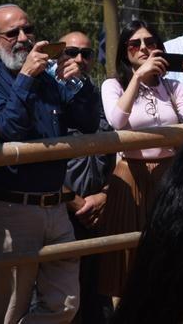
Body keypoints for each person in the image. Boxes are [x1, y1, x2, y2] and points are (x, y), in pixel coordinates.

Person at [0, 4, 100, 324]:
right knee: (12, 308)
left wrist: (79, 83)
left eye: (28, 31)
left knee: (65, 304)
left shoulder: (49, 79)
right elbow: (7, 129)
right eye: (13, 33)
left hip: (56, 207)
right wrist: (25, 77)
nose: (24, 39)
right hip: (9, 210)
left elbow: (88, 122)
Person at [98, 20, 183, 298]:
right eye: (134, 44)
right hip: (131, 177)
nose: (143, 48)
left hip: (169, 175)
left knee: (172, 249)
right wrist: (138, 77)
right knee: (129, 257)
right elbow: (117, 121)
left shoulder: (173, 87)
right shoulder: (113, 85)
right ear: (125, 52)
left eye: (150, 43)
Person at [51, 32, 115, 324]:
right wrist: (74, 201)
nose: (79, 59)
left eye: (86, 54)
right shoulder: (45, 96)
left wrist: (103, 195)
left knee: (99, 299)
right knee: (64, 301)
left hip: (100, 213)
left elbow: (117, 151)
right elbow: (39, 159)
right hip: (60, 214)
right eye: (72, 52)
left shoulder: (100, 96)